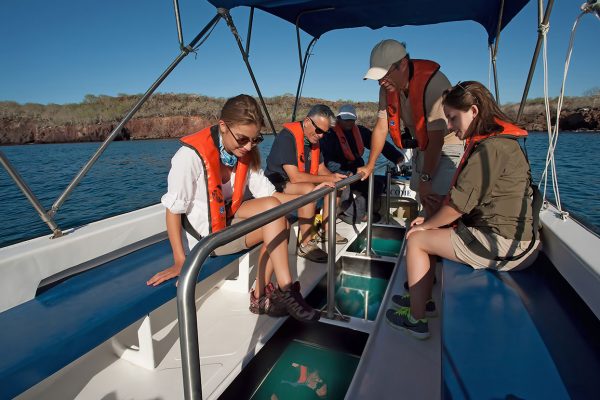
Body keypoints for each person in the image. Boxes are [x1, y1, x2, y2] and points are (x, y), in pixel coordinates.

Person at [146, 94, 324, 323]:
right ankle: (282, 290)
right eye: (242, 139)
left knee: (275, 210)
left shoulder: (242, 154)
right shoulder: (188, 157)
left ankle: (271, 294)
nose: (248, 146)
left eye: (255, 139)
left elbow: (271, 195)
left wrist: (314, 191)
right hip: (206, 237)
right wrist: (181, 260)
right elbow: (173, 210)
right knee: (278, 220)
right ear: (223, 126)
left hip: (229, 220)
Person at [385, 81, 541, 339]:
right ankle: (422, 300)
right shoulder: (496, 143)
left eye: (453, 118)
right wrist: (433, 214)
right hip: (507, 235)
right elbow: (467, 198)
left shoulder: (490, 149)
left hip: (505, 244)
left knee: (417, 239)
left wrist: (426, 224)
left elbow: (458, 206)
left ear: (474, 112)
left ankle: (416, 319)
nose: (449, 126)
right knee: (430, 221)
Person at [358, 39, 464, 217]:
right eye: (378, 78)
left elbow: (436, 140)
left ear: (403, 64)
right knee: (423, 198)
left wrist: (426, 177)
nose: (380, 82)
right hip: (422, 149)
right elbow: (381, 127)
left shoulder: (434, 84)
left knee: (437, 201)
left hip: (446, 148)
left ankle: (434, 237)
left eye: (384, 75)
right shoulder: (387, 88)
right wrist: (370, 165)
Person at [265, 104, 349, 261]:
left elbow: (322, 169)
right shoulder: (286, 137)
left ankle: (327, 230)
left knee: (335, 185)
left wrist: (334, 178)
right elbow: (295, 177)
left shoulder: (314, 141)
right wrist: (327, 178)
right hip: (278, 184)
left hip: (296, 182)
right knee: (310, 189)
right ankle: (305, 244)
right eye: (318, 130)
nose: (321, 135)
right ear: (307, 121)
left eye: (325, 132)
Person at [320, 104, 406, 224]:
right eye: (345, 119)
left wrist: (396, 157)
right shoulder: (329, 136)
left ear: (355, 120)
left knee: (377, 184)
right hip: (339, 174)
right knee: (343, 191)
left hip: (356, 170)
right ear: (338, 119)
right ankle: (351, 215)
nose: (348, 123)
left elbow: (380, 144)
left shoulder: (361, 132)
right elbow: (327, 160)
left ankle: (363, 211)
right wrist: (344, 173)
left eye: (351, 120)